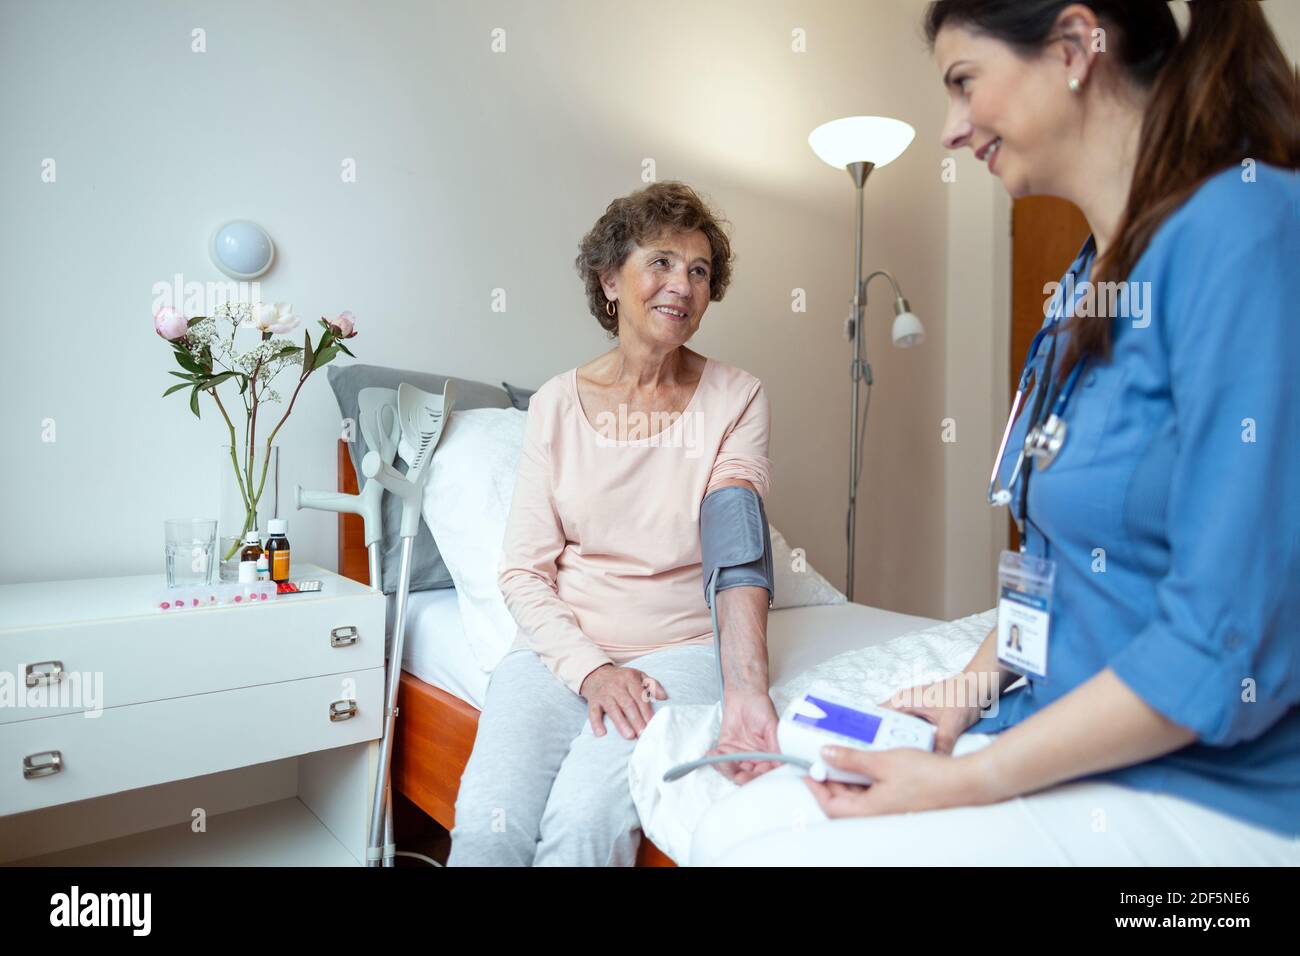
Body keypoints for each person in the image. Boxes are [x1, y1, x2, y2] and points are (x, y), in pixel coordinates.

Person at [691, 0, 1299, 866]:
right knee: (737, 819)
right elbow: (1051, 563)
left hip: (1206, 788)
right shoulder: (1086, 286)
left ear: (1073, 45)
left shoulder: (1246, 233)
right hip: (1055, 731)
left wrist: (968, 781)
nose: (949, 129)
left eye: (963, 82)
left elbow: (1228, 637)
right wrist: (973, 686)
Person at [448, 181, 781, 866]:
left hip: (679, 650)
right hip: (558, 649)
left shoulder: (737, 396)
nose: (682, 286)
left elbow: (737, 541)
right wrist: (592, 670)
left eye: (698, 270)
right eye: (660, 262)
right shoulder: (554, 405)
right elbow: (521, 570)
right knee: (489, 828)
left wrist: (747, 687)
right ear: (609, 280)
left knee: (584, 826)